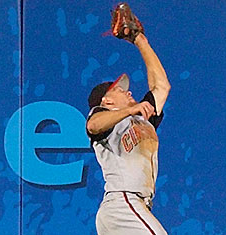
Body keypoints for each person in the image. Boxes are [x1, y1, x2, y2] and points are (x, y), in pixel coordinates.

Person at [86, 3, 171, 235]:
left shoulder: (142, 119)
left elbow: (161, 87)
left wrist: (139, 40)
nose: (129, 91)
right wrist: (128, 112)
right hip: (122, 204)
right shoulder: (105, 118)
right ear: (107, 101)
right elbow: (92, 126)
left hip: (134, 208)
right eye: (120, 90)